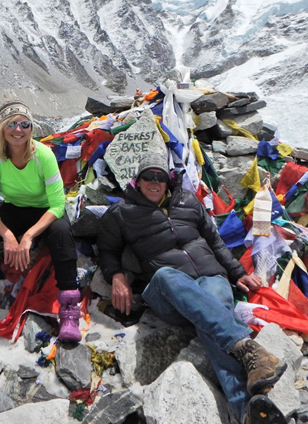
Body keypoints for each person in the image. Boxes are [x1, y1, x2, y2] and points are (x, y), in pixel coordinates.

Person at [97, 151, 288, 424]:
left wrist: (236, 273)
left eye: (160, 177)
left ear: (169, 180)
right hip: (169, 293)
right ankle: (248, 349)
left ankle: (247, 410)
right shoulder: (122, 214)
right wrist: (116, 275)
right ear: (137, 181)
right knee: (165, 276)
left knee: (210, 323)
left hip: (211, 278)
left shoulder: (188, 201)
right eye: (147, 177)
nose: (154, 182)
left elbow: (215, 241)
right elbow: (107, 250)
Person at [0, 101, 82, 343]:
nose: (18, 130)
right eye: (11, 124)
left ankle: (70, 312)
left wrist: (29, 236)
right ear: (2, 129)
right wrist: (8, 236)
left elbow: (57, 205)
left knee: (62, 233)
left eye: (24, 124)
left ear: (31, 128)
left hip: (44, 212)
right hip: (14, 209)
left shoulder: (44, 155)